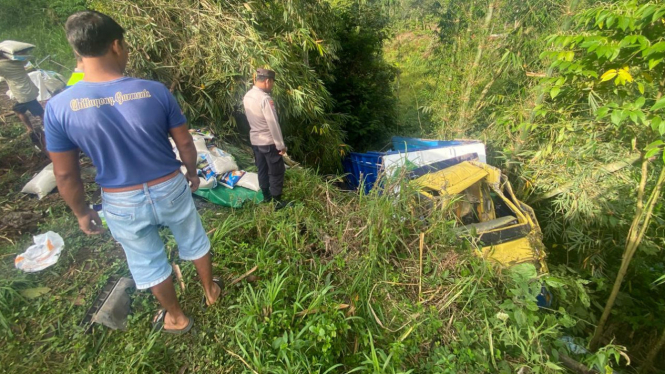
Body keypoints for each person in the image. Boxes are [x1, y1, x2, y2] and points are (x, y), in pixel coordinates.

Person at [44, 10, 221, 334]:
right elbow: (185, 143)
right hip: (169, 186)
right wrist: (192, 173)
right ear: (116, 46)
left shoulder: (58, 107)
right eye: (125, 46)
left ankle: (176, 317)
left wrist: (82, 212)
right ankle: (211, 291)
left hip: (121, 200)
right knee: (194, 239)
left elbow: (66, 175)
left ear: (78, 53)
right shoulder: (154, 91)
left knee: (148, 260)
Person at [243, 68, 291, 210]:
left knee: (262, 170)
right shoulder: (265, 99)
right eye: (272, 83)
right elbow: (273, 123)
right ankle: (277, 203)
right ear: (267, 81)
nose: (272, 86)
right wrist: (280, 145)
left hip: (256, 141)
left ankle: (266, 197)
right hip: (269, 142)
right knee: (276, 171)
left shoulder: (248, 96)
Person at [0, 52, 44, 132]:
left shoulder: (1, 66)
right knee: (21, 110)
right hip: (28, 89)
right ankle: (36, 126)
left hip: (23, 93)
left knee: (38, 111)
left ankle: (32, 128)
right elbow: (26, 61)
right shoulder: (16, 60)